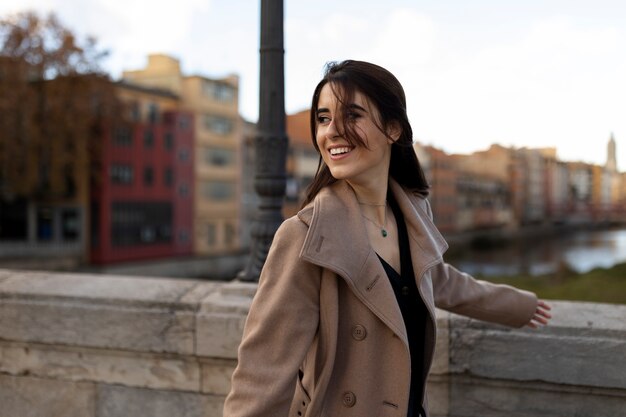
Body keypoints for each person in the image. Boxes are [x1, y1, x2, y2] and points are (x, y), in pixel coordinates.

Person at [223, 60, 552, 417]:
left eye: (352, 115)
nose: (331, 131)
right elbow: (262, 373)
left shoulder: (411, 212)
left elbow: (438, 280)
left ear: (393, 129)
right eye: (323, 118)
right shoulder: (304, 236)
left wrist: (517, 306)